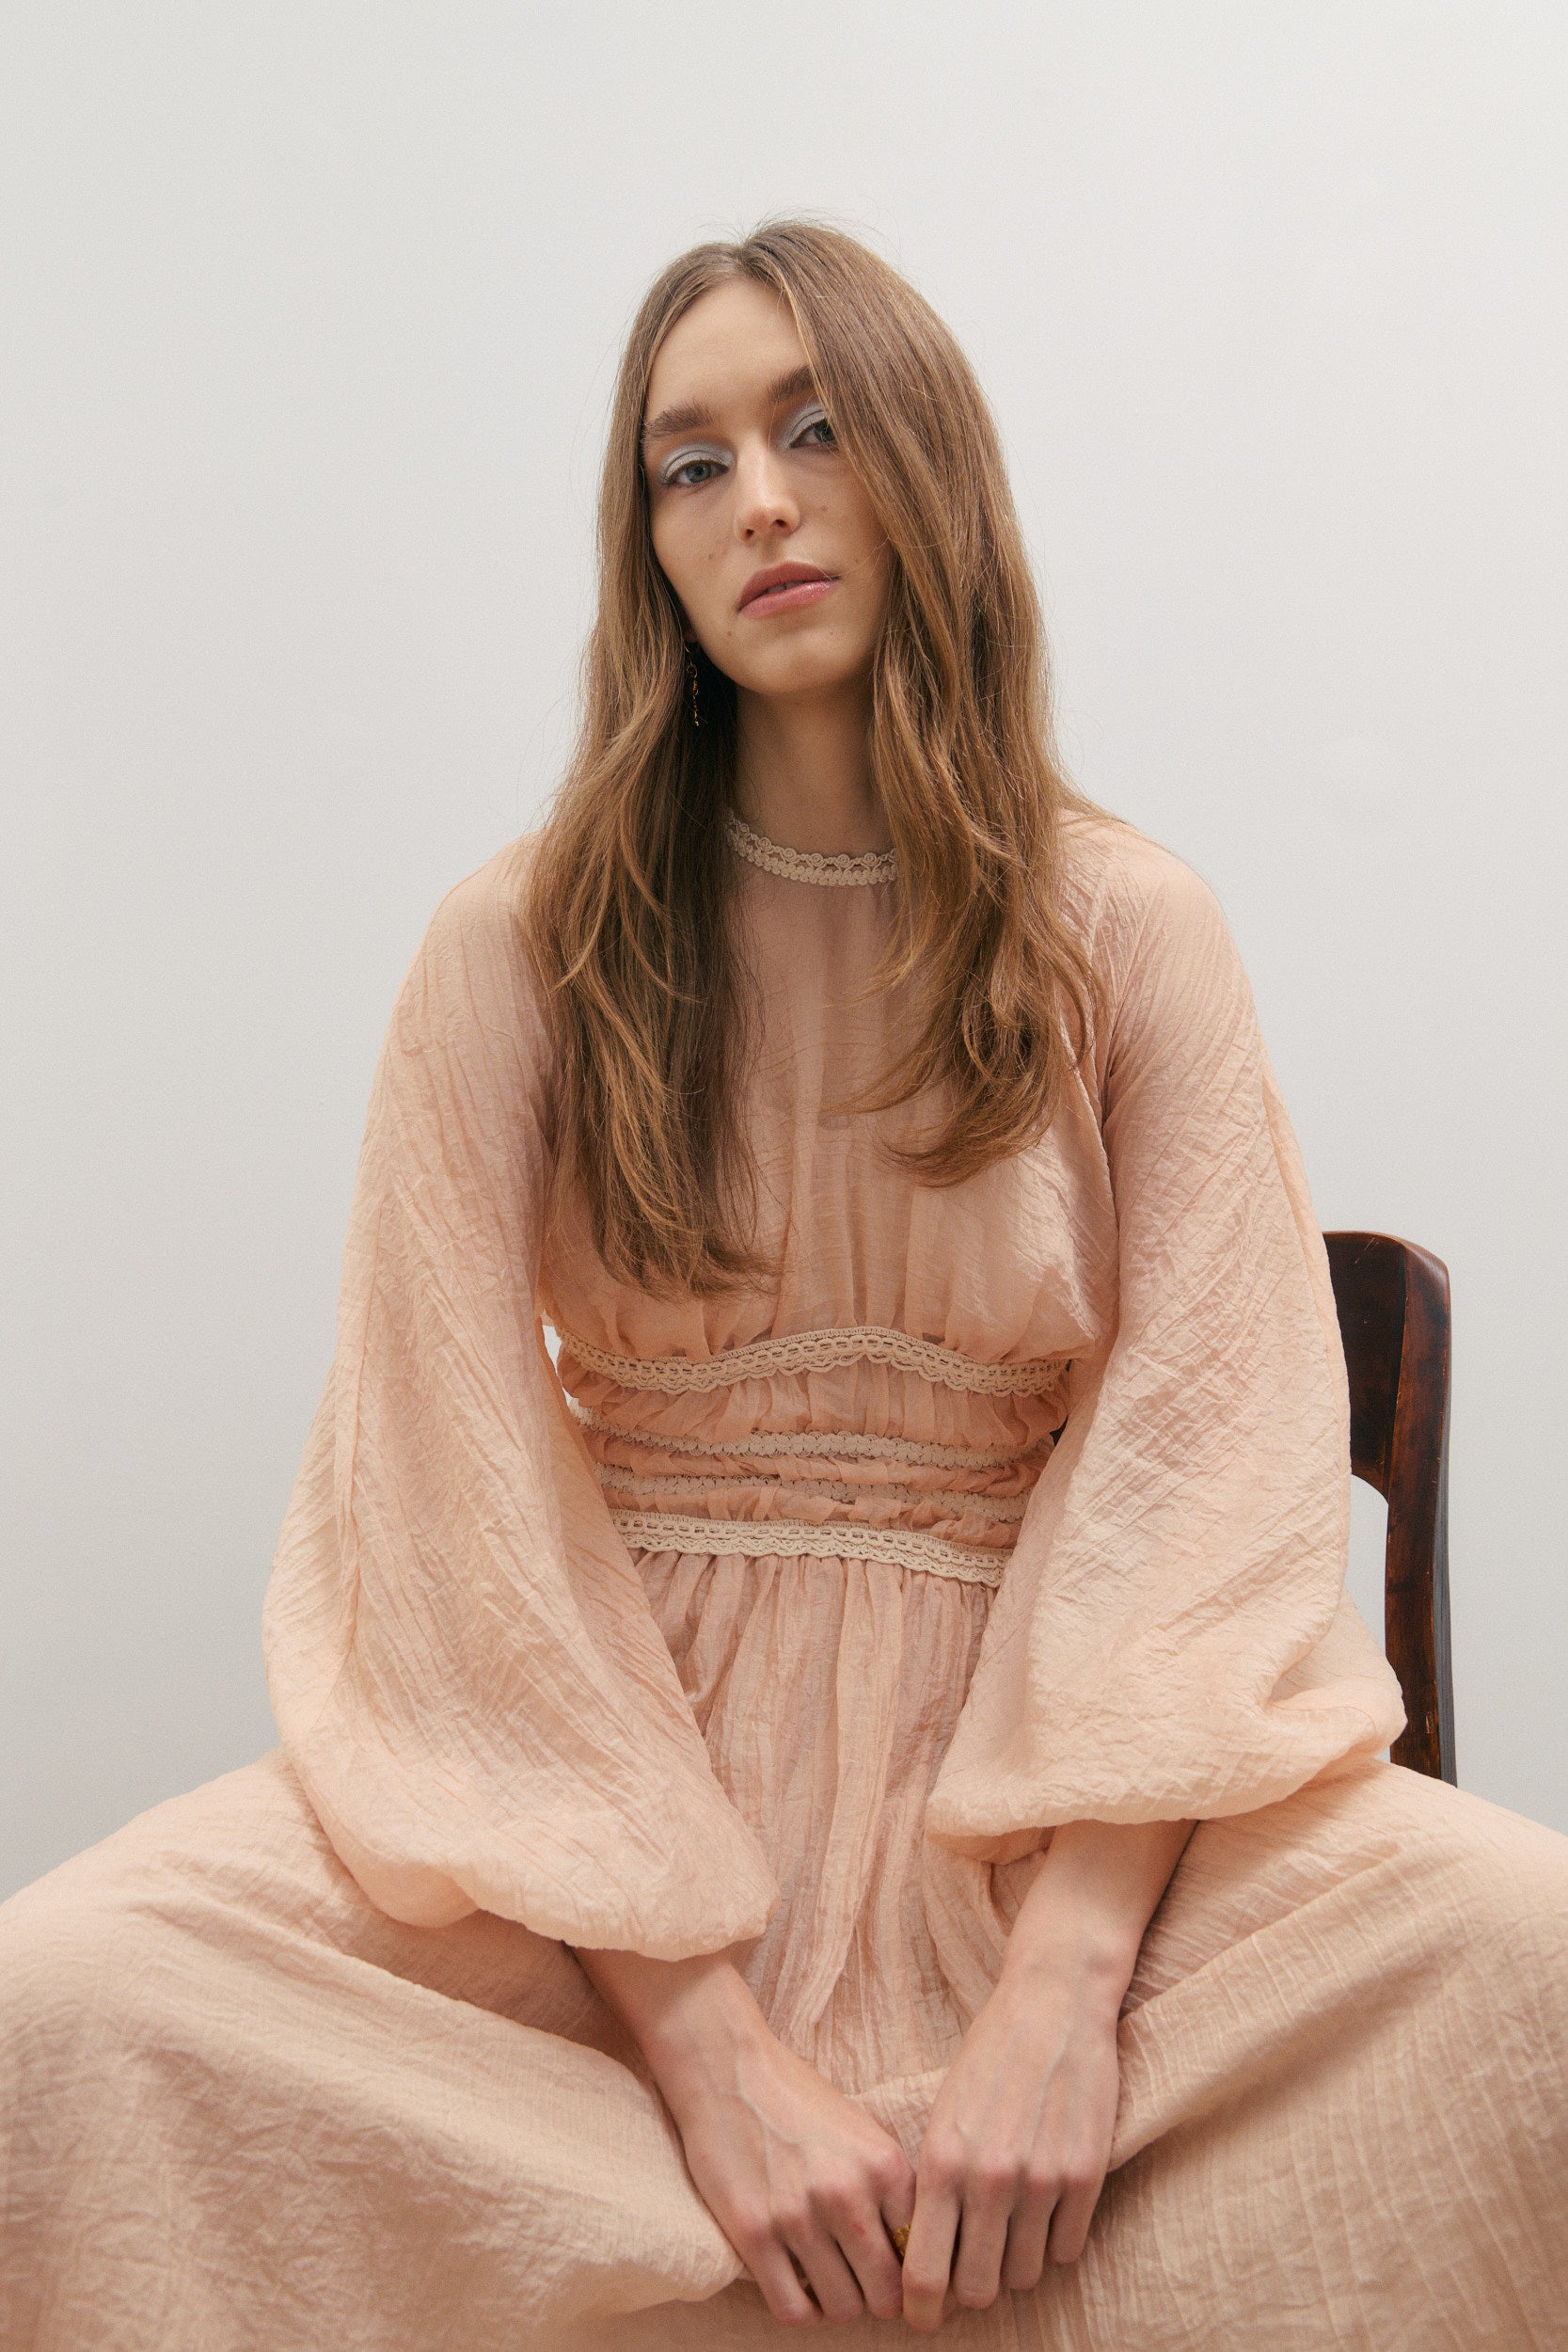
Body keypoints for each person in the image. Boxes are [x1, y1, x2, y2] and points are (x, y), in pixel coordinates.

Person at [2, 219, 1564, 2352]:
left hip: (1050, 1785)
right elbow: (445, 1495)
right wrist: (703, 2043)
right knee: (67, 2002)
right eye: (689, 458)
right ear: (645, 539)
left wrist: (1065, 1992)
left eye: (816, 428)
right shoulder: (513, 946)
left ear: (930, 467)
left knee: (1524, 1962)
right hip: (600, 1802)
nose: (759, 499)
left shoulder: (1133, 926)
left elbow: (1208, 1474)